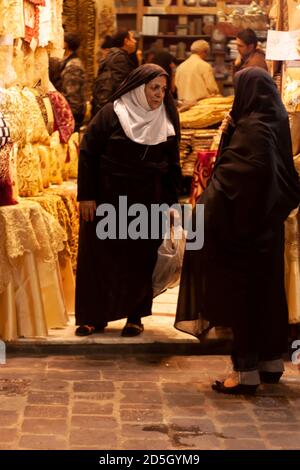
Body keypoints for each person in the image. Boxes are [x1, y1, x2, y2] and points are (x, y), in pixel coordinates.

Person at [175, 67, 300, 394]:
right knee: (267, 295)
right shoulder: (275, 123)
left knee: (241, 297)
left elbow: (236, 178)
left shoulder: (252, 130)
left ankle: (244, 372)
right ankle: (270, 362)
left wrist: (203, 210)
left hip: (243, 230)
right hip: (266, 228)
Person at [75, 64, 181, 337]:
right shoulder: (112, 113)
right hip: (107, 197)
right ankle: (93, 317)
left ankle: (135, 316)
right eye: (154, 88)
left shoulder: (167, 116)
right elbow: (87, 152)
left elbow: (172, 164)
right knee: (100, 258)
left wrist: (171, 205)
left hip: (149, 198)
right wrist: (86, 195)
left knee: (140, 258)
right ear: (138, 88)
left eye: (163, 89)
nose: (159, 95)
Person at [91, 30, 137, 116]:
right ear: (126, 41)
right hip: (112, 109)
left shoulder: (114, 55)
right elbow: (121, 87)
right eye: (132, 38)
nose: (135, 41)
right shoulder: (119, 58)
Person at [175, 40, 219, 104]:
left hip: (183, 105)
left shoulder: (180, 67)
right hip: (201, 105)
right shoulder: (205, 66)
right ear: (204, 52)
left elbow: (176, 84)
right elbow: (212, 88)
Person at [60, 32, 87, 131]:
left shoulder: (73, 65)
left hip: (73, 113)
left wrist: (68, 115)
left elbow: (72, 94)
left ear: (66, 44)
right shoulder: (67, 62)